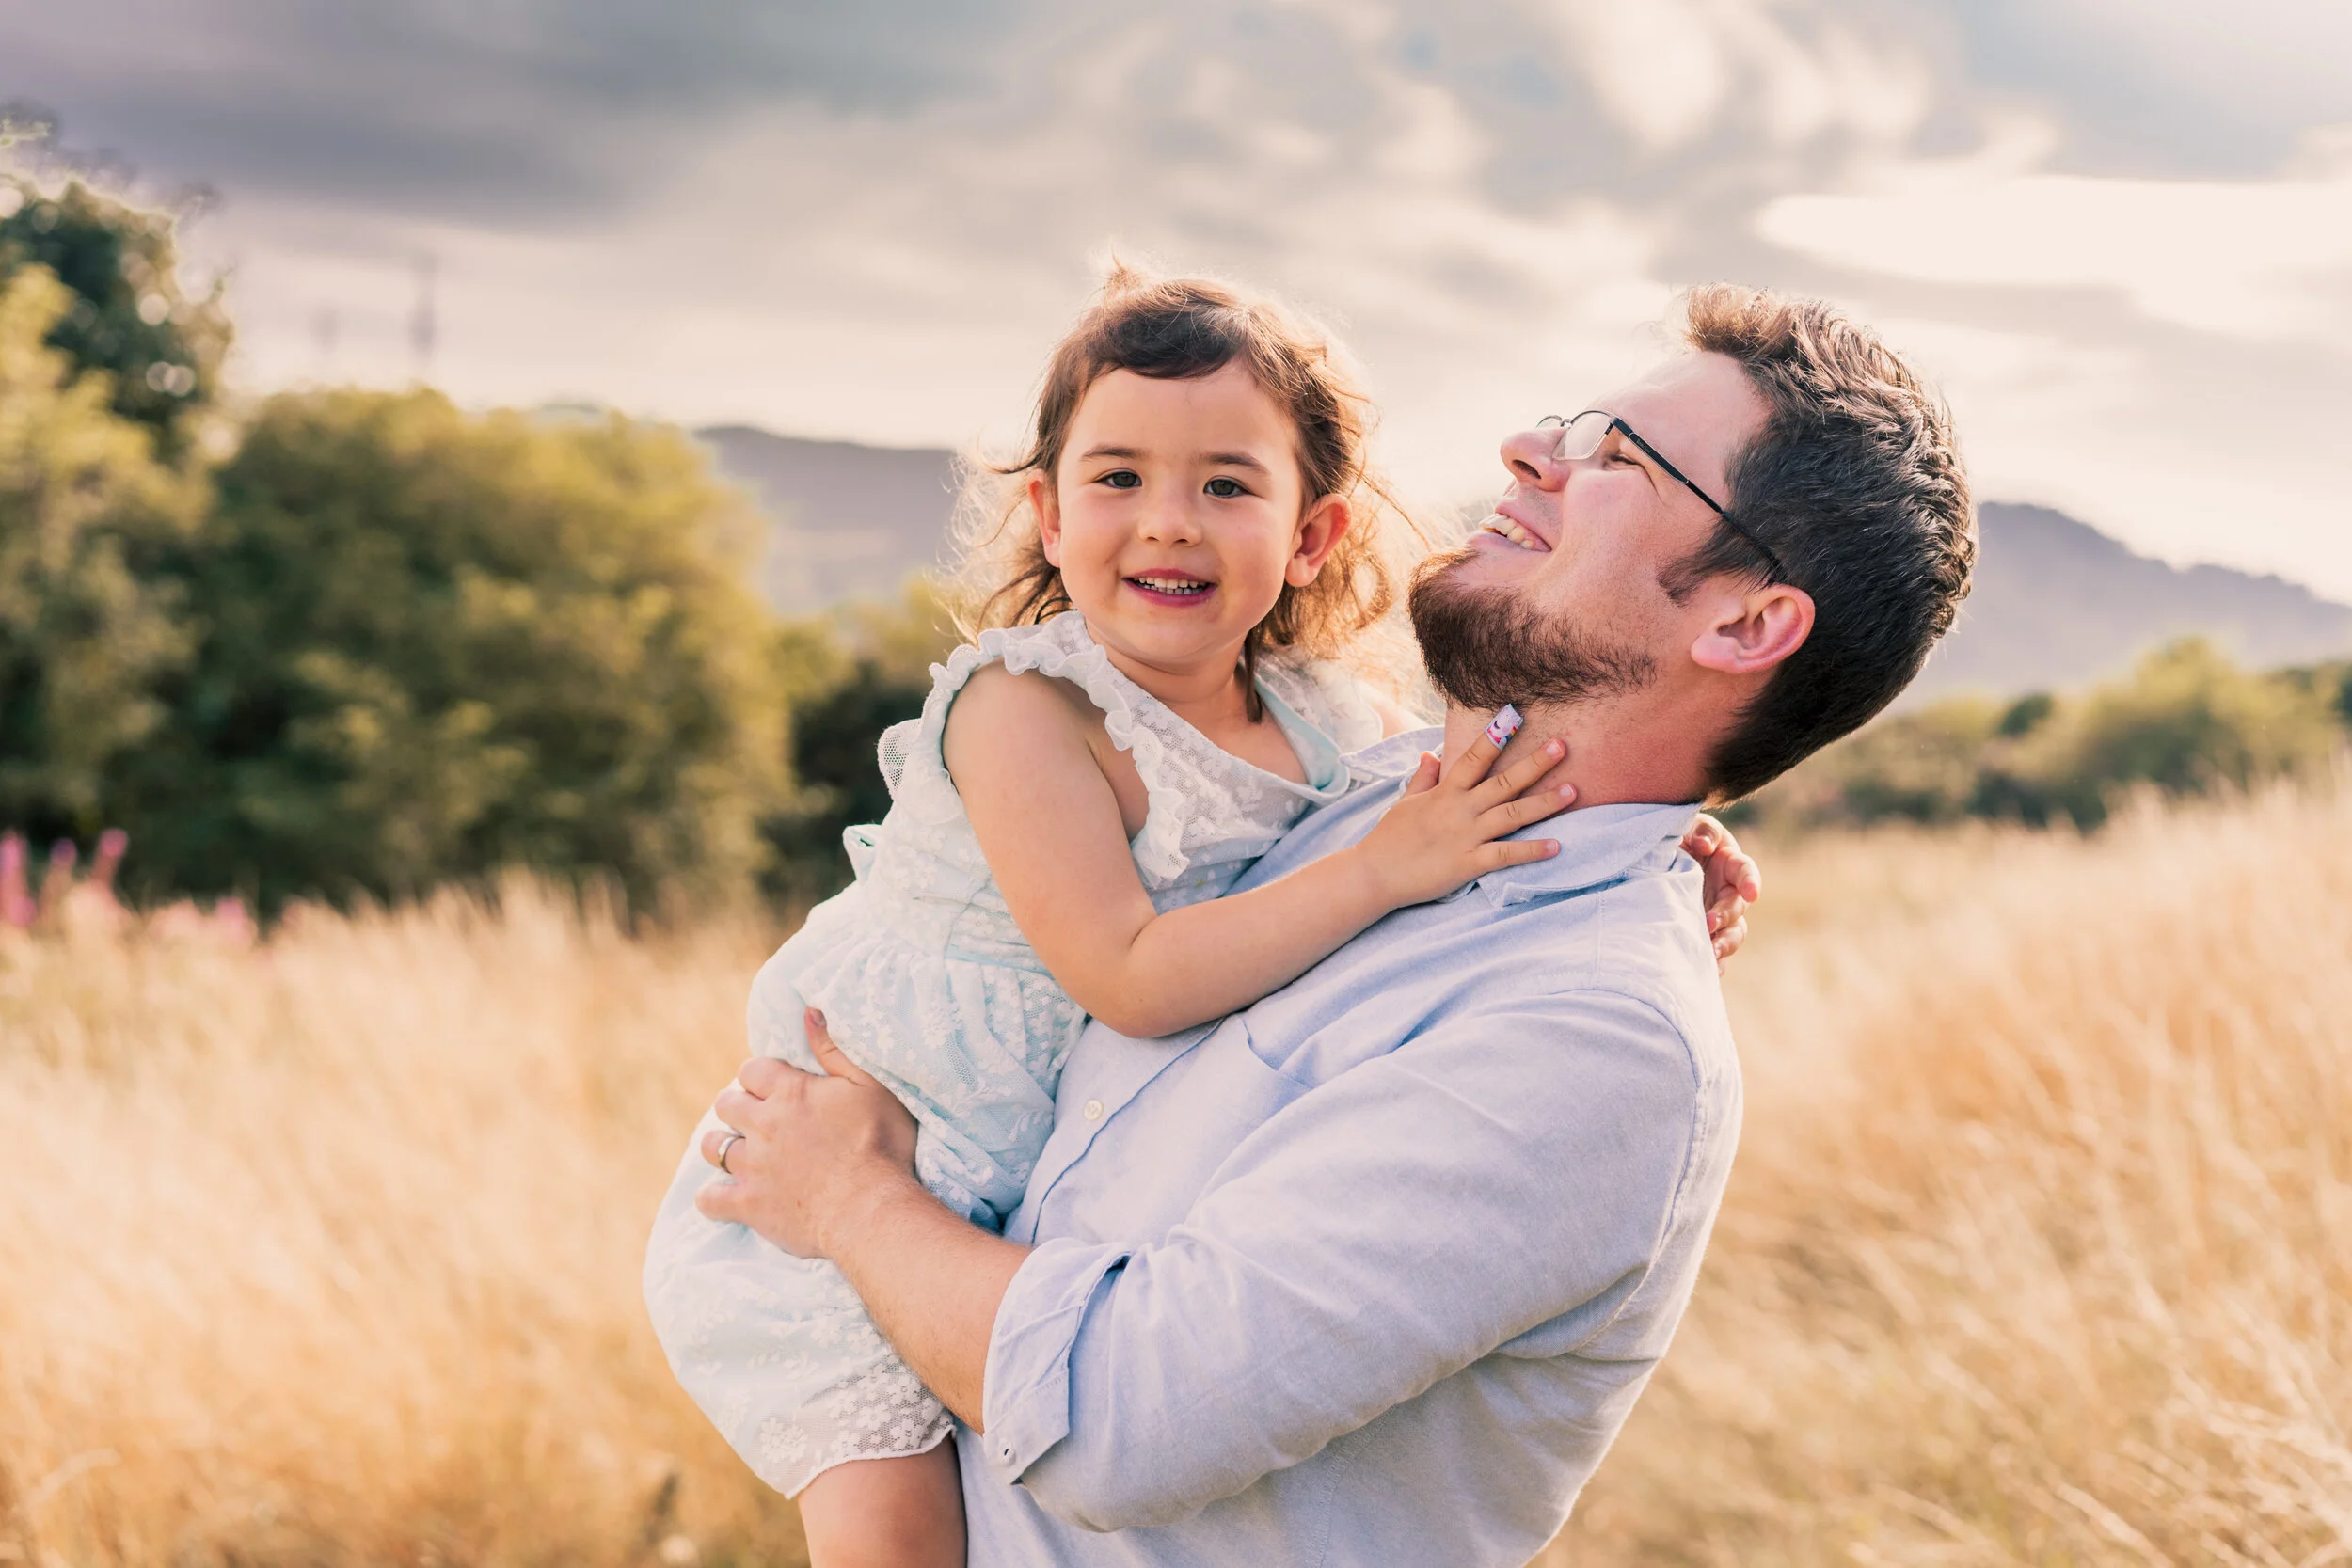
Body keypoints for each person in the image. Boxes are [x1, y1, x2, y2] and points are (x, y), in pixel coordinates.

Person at [690, 282, 1976, 1566]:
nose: (1532, 451)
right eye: (1567, 427)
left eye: (1618, 460)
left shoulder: (1600, 1036)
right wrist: (1650, 832)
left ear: (1747, 621)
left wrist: (851, 1199)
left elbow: (1114, 1420)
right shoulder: (1361, 789)